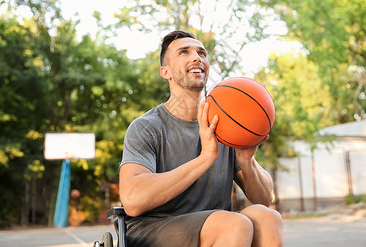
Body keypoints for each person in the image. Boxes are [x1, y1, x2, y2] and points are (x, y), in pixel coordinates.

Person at [119, 30, 283, 247]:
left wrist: (246, 160)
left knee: (267, 217)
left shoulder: (226, 125)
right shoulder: (147, 127)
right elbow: (133, 201)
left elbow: (263, 198)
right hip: (156, 228)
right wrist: (206, 157)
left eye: (202, 53)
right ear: (165, 71)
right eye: (184, 52)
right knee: (234, 224)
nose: (197, 57)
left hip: (219, 222)